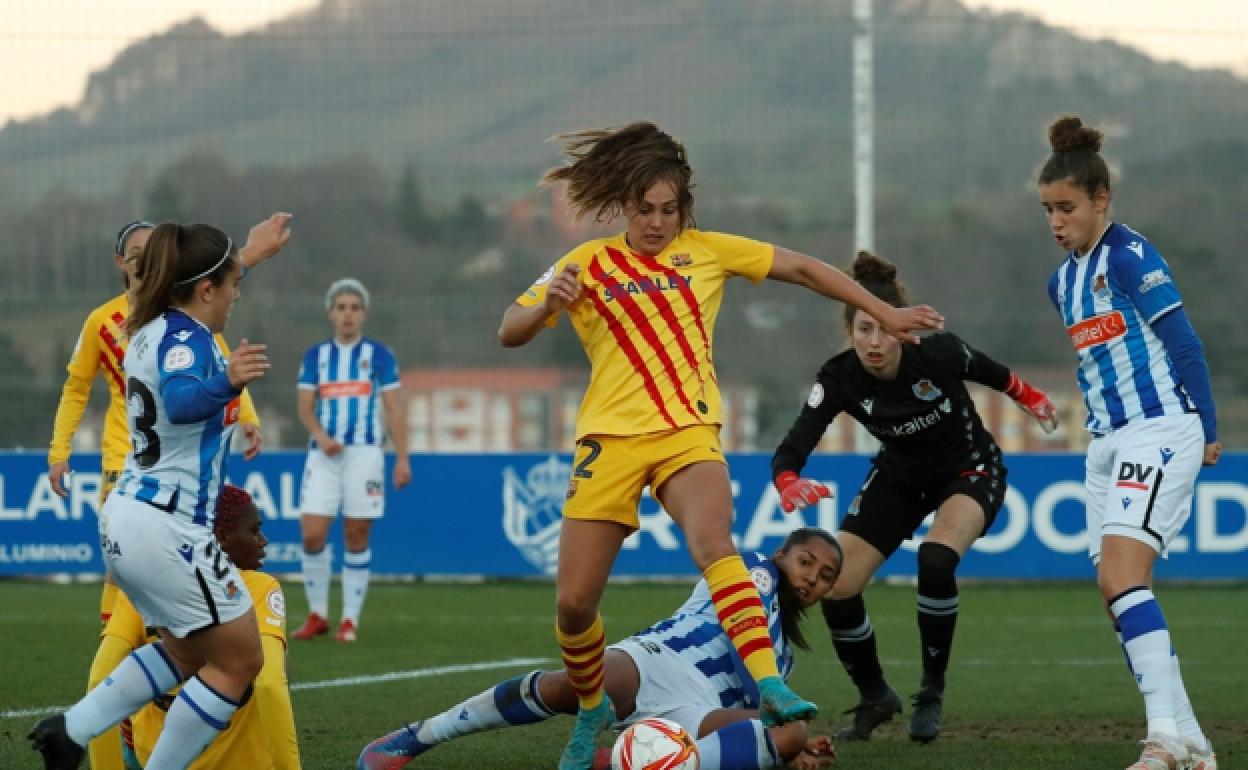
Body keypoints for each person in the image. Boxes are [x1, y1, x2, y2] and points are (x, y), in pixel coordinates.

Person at [497, 121, 945, 770]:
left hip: (687, 435)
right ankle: (592, 707)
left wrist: (888, 312)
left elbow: (804, 268)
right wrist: (546, 307)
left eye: (668, 210)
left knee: (716, 545)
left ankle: (769, 683)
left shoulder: (706, 252)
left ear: (685, 210)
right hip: (609, 443)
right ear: (625, 206)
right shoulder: (584, 264)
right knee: (573, 606)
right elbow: (509, 330)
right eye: (645, 210)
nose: (656, 223)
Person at [28, 216, 292, 770]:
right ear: (204, 289)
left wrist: (248, 254)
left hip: (130, 516)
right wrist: (230, 382)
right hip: (169, 528)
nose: (236, 296)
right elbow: (180, 399)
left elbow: (197, 285)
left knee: (186, 649)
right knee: (240, 659)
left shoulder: (147, 323)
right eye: (233, 286)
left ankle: (71, 730)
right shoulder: (185, 340)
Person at [771, 251, 1056, 744]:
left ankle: (931, 691)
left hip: (969, 468)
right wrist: (788, 480)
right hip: (900, 477)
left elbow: (997, 374)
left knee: (936, 560)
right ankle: (876, 696)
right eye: (864, 330)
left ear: (902, 329)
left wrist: (1031, 399)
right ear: (851, 332)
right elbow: (795, 443)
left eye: (883, 329)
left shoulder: (937, 354)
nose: (874, 342)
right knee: (837, 586)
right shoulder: (839, 378)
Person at [1036, 114, 1219, 770]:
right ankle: (1192, 741)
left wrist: (1209, 427)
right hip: (1106, 443)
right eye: (1048, 211)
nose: (1056, 222)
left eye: (1067, 208)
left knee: (1121, 577)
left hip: (1162, 427)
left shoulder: (1129, 255)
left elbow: (1184, 341)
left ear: (1101, 201)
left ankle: (1163, 740)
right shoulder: (1062, 283)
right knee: (1119, 593)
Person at [358, 528, 844, 770]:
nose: (810, 578)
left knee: (792, 733)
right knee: (579, 680)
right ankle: (420, 736)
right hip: (658, 662)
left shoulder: (784, 658)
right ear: (783, 555)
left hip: (695, 714)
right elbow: (746, 643)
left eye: (824, 576)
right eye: (805, 562)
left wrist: (788, 747)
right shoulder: (754, 569)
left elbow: (749, 717)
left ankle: (617, 760)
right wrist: (769, 698)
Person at [106, 484, 299, 770]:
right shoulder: (257, 587)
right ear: (221, 536)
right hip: (238, 762)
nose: (263, 541)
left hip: (151, 753)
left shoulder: (138, 587)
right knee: (271, 663)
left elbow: (101, 678)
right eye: (254, 531)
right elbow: (270, 685)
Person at [291, 278, 411, 643]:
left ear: (364, 314)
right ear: (331, 312)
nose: (348, 314)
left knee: (356, 534)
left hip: (365, 454)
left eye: (354, 308)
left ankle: (349, 620)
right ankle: (317, 614)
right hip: (324, 455)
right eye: (341, 307)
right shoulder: (316, 356)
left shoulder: (380, 355)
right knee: (312, 533)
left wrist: (402, 458)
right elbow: (304, 408)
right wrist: (322, 436)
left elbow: (393, 409)